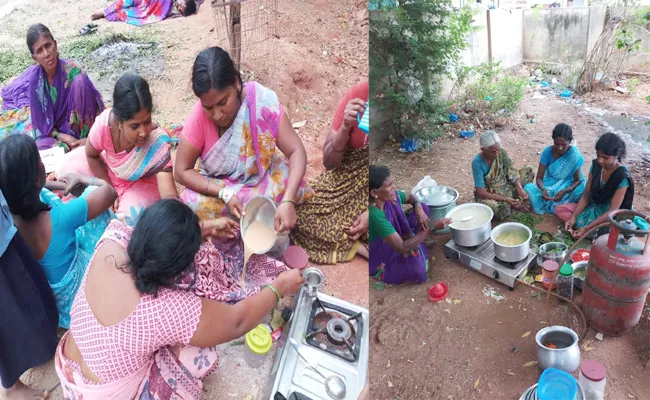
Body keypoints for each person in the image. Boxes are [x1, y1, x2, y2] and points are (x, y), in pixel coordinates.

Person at [54, 199, 304, 399]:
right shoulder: (167, 308)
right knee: (199, 352)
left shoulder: (113, 238)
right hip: (103, 393)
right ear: (178, 270)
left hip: (68, 363)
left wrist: (205, 226)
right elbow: (236, 322)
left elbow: (149, 232)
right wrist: (278, 287)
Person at [175, 46, 313, 233]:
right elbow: (182, 171)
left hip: (261, 181)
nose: (216, 115)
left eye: (223, 102)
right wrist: (223, 193)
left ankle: (271, 213)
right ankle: (257, 220)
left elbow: (296, 151)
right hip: (218, 187)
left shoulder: (260, 103)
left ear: (237, 83)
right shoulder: (198, 117)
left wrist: (288, 199)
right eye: (209, 108)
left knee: (288, 186)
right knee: (191, 203)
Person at [0, 135, 117, 329]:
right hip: (81, 302)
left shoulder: (7, 219)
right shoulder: (61, 218)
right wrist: (83, 179)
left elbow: (33, 189)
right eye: (39, 159)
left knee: (55, 198)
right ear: (37, 177)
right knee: (94, 201)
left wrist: (57, 185)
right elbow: (108, 192)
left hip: (57, 307)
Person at [57, 73, 180, 225]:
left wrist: (177, 213)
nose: (143, 132)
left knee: (130, 218)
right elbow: (92, 155)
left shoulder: (157, 142)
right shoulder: (104, 126)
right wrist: (108, 188)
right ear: (120, 122)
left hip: (139, 183)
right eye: (135, 126)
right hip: (106, 169)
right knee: (65, 168)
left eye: (147, 122)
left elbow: (169, 194)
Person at [292, 81, 369, 263]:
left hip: (374, 190)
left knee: (389, 219)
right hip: (343, 177)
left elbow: (392, 185)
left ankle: (361, 239)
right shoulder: (358, 95)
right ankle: (357, 246)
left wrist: (371, 214)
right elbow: (329, 162)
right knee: (297, 213)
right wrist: (345, 127)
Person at [0, 24, 104, 151]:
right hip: (58, 135)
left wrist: (89, 138)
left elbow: (96, 110)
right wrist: (66, 138)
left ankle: (87, 143)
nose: (46, 53)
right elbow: (41, 126)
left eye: (48, 46)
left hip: (84, 131)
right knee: (37, 147)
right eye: (39, 51)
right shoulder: (35, 80)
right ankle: (73, 147)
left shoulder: (73, 71)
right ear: (35, 58)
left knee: (80, 82)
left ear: (55, 44)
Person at [0, 189, 59, 400]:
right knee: (7, 316)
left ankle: (41, 345)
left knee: (29, 290)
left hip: (4, 230)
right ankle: (10, 386)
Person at [368, 166, 451, 285]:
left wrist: (418, 208)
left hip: (394, 236)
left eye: (393, 183)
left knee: (424, 208)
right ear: (374, 192)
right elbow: (401, 247)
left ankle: (418, 241)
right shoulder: (374, 214)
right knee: (418, 270)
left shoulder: (391, 196)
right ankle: (417, 244)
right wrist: (431, 228)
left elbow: (411, 198)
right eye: (389, 186)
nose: (393, 188)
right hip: (385, 250)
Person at [556, 132, 640, 238]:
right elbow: (586, 195)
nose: (600, 160)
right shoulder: (596, 166)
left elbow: (613, 211)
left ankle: (588, 230)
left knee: (605, 231)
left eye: (605, 158)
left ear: (616, 156)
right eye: (598, 155)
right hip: (593, 203)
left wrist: (587, 228)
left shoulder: (622, 177)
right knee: (560, 210)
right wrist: (573, 218)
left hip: (608, 214)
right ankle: (585, 229)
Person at [524, 123, 586, 215]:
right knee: (527, 188)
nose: (560, 148)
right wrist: (543, 189)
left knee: (584, 188)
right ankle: (562, 205)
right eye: (557, 144)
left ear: (570, 141)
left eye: (563, 145)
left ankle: (563, 205)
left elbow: (577, 180)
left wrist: (565, 191)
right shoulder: (547, 152)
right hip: (550, 185)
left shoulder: (574, 156)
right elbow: (539, 178)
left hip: (567, 186)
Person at [472, 130, 535, 220]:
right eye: (492, 152)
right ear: (483, 149)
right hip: (491, 193)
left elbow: (512, 171)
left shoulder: (501, 152)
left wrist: (519, 188)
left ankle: (515, 201)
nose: (496, 154)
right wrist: (505, 199)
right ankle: (513, 204)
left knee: (529, 170)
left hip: (506, 185)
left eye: (498, 150)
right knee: (501, 209)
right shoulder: (477, 162)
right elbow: (480, 192)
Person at [91, 0, 200, 26]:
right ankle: (106, 10)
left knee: (135, 10)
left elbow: (160, 12)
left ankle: (105, 13)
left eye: (182, 9)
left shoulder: (173, 9)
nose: (180, 6)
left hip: (151, 6)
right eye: (183, 4)